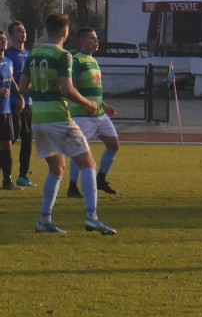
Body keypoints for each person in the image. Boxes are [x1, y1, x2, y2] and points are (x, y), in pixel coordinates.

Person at [18, 12, 115, 235]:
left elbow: (23, 88)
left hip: (38, 120)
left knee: (57, 167)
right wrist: (88, 103)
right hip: (58, 118)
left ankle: (44, 220)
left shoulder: (33, 54)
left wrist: (42, 91)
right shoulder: (64, 56)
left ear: (46, 29)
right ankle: (92, 217)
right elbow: (68, 89)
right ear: (65, 32)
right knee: (89, 164)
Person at [65, 27, 120, 198]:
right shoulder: (76, 60)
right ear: (82, 41)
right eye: (92, 38)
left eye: (96, 38)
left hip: (99, 114)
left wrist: (104, 105)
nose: (97, 41)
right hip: (82, 115)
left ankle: (101, 179)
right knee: (79, 150)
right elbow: (71, 87)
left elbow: (94, 89)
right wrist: (85, 104)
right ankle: (72, 186)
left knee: (113, 145)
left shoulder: (93, 61)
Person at [5, 20, 34, 187]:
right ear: (12, 36)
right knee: (12, 137)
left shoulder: (30, 54)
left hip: (28, 102)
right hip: (13, 102)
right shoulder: (8, 55)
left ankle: (23, 175)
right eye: (18, 31)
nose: (22, 33)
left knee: (27, 139)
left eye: (23, 30)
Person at [0, 29, 25, 190]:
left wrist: (21, 97)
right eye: (0, 39)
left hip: (5, 111)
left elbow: (13, 82)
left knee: (7, 145)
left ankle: (7, 181)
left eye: (4, 39)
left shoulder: (8, 61)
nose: (3, 41)